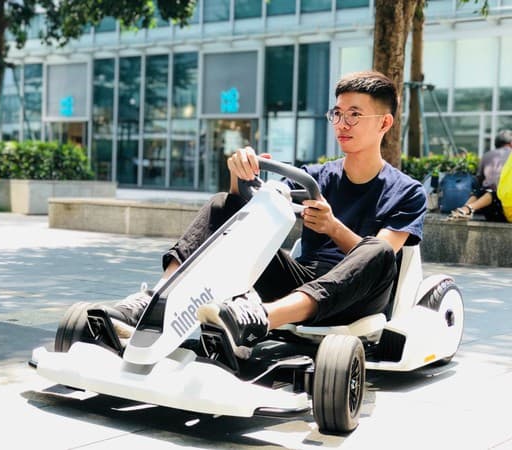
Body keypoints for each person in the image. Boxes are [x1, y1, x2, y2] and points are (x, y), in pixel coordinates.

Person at [108, 71, 427, 359]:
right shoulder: (314, 176)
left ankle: (258, 319)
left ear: (384, 123)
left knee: (378, 249)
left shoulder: (408, 192)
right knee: (222, 204)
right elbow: (250, 212)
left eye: (354, 115)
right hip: (299, 282)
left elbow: (384, 256)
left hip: (358, 297)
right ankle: (156, 301)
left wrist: (332, 227)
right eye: (338, 113)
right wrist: (240, 176)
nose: (342, 124)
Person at [449, 130, 512, 221]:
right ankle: (466, 210)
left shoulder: (487, 155)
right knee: (492, 192)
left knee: (483, 191)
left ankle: (465, 209)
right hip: (499, 203)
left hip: (492, 202)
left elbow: (479, 177)